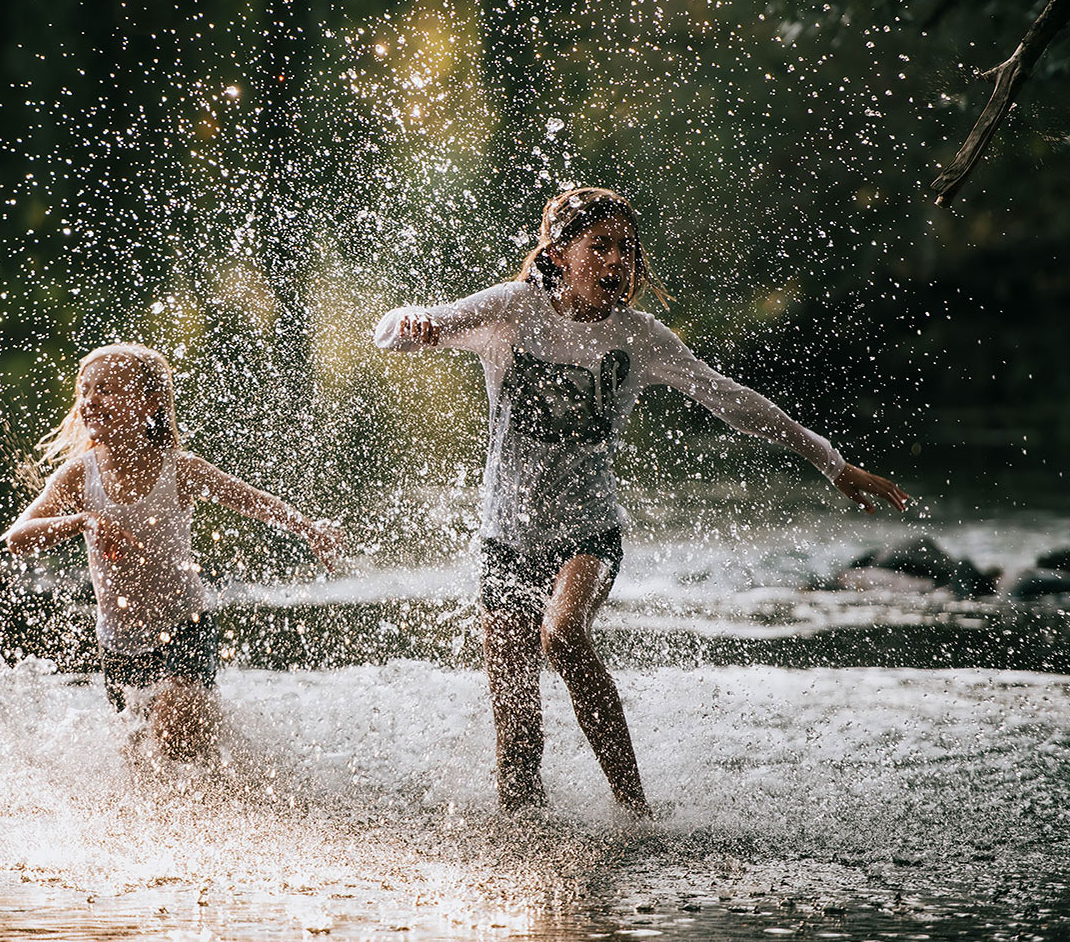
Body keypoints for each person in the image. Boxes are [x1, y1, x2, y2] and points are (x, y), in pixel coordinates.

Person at [373, 187, 907, 814]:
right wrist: (409, 324)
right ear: (558, 252)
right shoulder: (512, 311)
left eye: (627, 250)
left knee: (564, 632)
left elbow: (731, 401)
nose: (617, 262)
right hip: (504, 537)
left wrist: (831, 463)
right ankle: (524, 846)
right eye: (600, 246)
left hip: (588, 533)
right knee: (515, 729)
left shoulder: (639, 336)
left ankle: (637, 815)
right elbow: (399, 331)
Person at [1, 343, 341, 760]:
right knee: (141, 754)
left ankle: (223, 801)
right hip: (118, 641)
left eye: (105, 389)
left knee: (177, 729)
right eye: (84, 391)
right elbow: (17, 538)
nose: (90, 401)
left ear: (149, 402)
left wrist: (308, 528)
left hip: (185, 622)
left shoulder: (179, 468)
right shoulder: (77, 474)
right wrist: (84, 521)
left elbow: (249, 500)